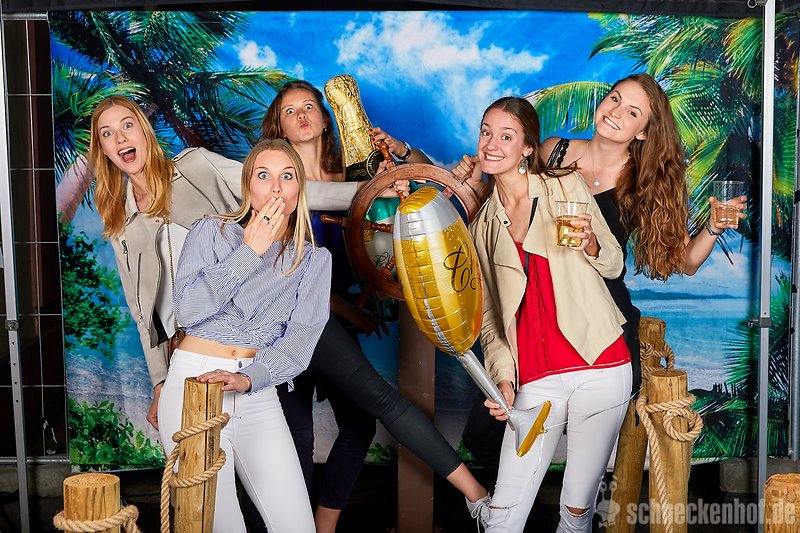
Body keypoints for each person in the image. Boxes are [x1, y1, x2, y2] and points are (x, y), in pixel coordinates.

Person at [459, 74, 747, 494]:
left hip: (601, 323)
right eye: (614, 99)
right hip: (534, 307)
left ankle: (558, 511)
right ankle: (509, 509)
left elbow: (684, 261)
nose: (615, 112)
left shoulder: (643, 182)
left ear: (643, 131)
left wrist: (714, 227)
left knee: (572, 445)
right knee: (485, 432)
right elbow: (506, 194)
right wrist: (464, 178)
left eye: (632, 112)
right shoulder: (554, 151)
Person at [260, 79, 490, 531]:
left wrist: (399, 158)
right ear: (279, 128)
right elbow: (282, 274)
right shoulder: (277, 188)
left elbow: (421, 183)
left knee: (359, 426)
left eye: (309, 107)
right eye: (290, 110)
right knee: (297, 436)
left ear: (325, 119)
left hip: (338, 323)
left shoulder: (356, 177)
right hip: (289, 323)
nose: (302, 115)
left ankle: (322, 527)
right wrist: (352, 311)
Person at [468, 96, 632, 531]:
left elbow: (614, 264)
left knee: (576, 513)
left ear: (527, 147)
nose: (492, 144)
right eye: (486, 132)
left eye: (506, 136)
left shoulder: (566, 185)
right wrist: (503, 378)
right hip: (536, 377)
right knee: (503, 515)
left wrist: (591, 243)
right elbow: (489, 318)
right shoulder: (482, 226)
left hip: (600, 362)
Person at [159, 138, 331, 532]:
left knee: (297, 526)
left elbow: (300, 341)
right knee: (223, 526)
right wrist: (249, 252)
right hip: (194, 386)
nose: (276, 188)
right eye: (264, 175)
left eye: (287, 176)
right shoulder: (211, 231)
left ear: (298, 189)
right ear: (248, 185)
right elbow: (188, 311)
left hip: (256, 392)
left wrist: (248, 379)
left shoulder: (313, 260)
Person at [89, 96, 242, 431]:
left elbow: (277, 187)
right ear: (103, 150)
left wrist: (360, 193)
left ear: (144, 131)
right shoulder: (120, 222)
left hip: (241, 344)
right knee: (192, 458)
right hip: (183, 356)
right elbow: (143, 313)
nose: (120, 138)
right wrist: (160, 382)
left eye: (127, 125)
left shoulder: (196, 167)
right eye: (107, 133)